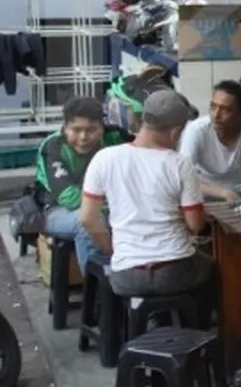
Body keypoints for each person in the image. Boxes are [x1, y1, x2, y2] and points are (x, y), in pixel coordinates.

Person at [78, 90, 212, 298]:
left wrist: (112, 250)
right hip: (175, 271)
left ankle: (152, 320)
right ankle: (193, 326)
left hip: (127, 277)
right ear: (175, 132)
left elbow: (87, 219)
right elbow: (195, 224)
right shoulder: (179, 164)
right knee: (213, 266)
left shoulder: (104, 158)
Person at [36, 96, 125, 270]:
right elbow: (68, 197)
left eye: (91, 130)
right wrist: (110, 205)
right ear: (65, 127)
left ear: (102, 127)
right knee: (88, 222)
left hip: (108, 206)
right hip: (57, 211)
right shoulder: (53, 146)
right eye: (76, 130)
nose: (83, 137)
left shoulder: (116, 138)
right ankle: (99, 290)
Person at [179, 80, 241, 201]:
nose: (216, 115)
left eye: (225, 110)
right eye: (213, 106)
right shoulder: (196, 130)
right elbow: (184, 177)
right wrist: (223, 193)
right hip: (205, 190)